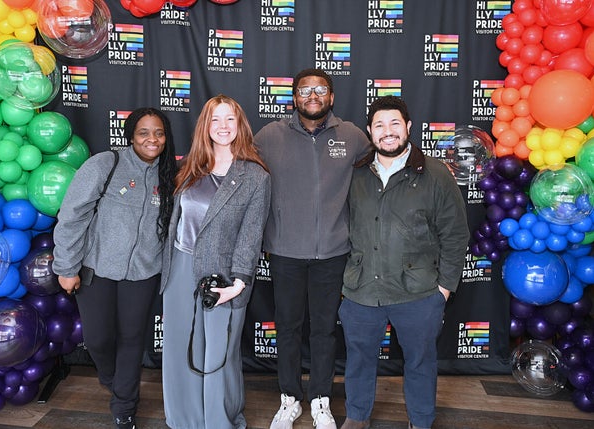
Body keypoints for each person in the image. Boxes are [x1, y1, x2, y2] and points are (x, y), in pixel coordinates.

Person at [338, 96, 469, 429]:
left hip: (420, 294)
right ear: (370, 132)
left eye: (395, 124)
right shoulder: (355, 175)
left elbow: (455, 235)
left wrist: (444, 289)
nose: (388, 132)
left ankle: (421, 421)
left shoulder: (436, 175)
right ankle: (357, 417)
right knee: (358, 361)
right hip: (362, 291)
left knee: (421, 362)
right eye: (379, 125)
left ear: (408, 127)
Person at [254, 68, 370, 429]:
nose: (313, 95)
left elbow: (384, 163)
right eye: (305, 90)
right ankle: (289, 399)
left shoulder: (351, 135)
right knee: (287, 327)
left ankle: (321, 399)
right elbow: (242, 174)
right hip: (285, 252)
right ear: (294, 97)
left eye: (321, 89)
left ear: (331, 98)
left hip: (333, 253)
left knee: (324, 329)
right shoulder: (271, 135)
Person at [52, 107, 178, 429]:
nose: (153, 139)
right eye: (144, 133)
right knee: (97, 340)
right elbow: (72, 215)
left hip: (142, 274)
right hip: (98, 270)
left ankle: (124, 405)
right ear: (130, 136)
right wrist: (66, 265)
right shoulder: (105, 164)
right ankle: (112, 379)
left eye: (159, 133)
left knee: (133, 338)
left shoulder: (170, 175)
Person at [160, 94, 271, 429]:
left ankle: (218, 420)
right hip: (180, 268)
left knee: (218, 356)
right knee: (180, 349)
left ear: (240, 125)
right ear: (205, 126)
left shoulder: (255, 176)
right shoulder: (190, 168)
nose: (222, 127)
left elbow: (251, 235)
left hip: (223, 278)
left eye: (229, 119)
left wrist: (238, 284)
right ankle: (184, 420)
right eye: (215, 119)